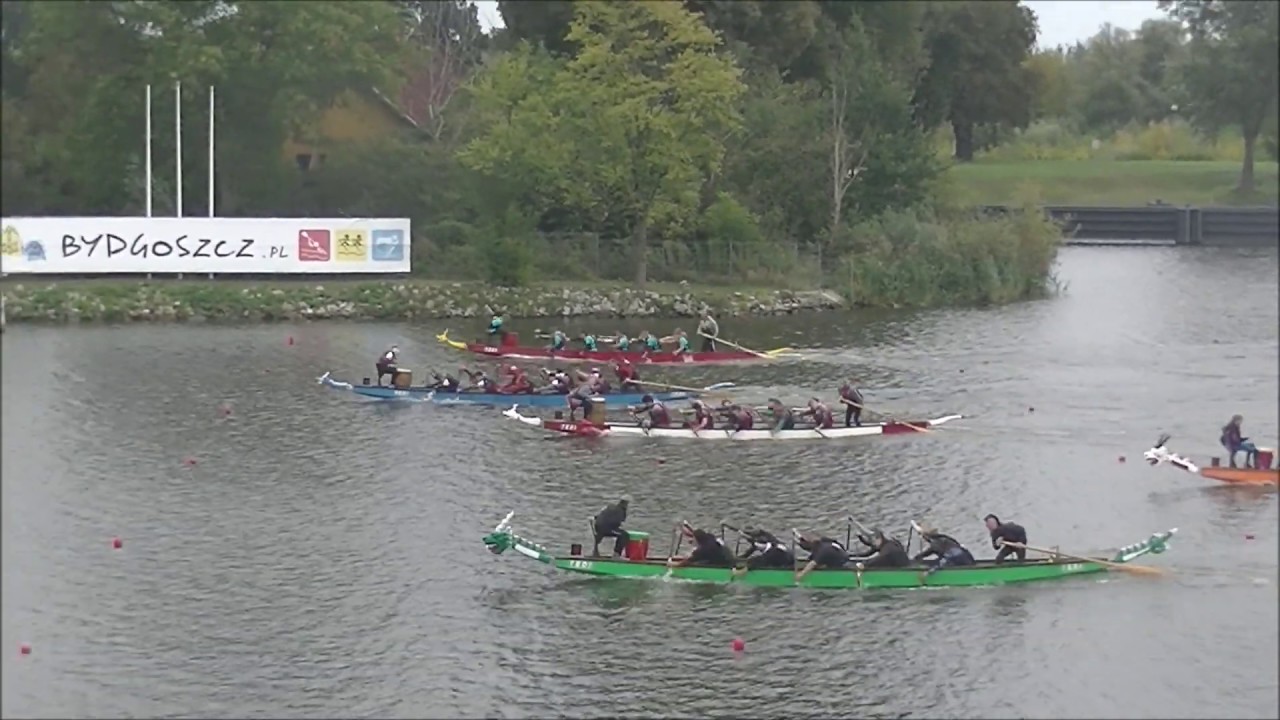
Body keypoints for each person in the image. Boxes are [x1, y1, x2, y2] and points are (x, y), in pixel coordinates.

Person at [667, 522, 735, 568]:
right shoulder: (710, 537)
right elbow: (696, 535)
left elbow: (686, 562)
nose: (692, 540)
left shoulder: (702, 550)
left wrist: (673, 565)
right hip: (728, 558)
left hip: (724, 565)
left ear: (697, 540)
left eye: (694, 539)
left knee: (695, 563)